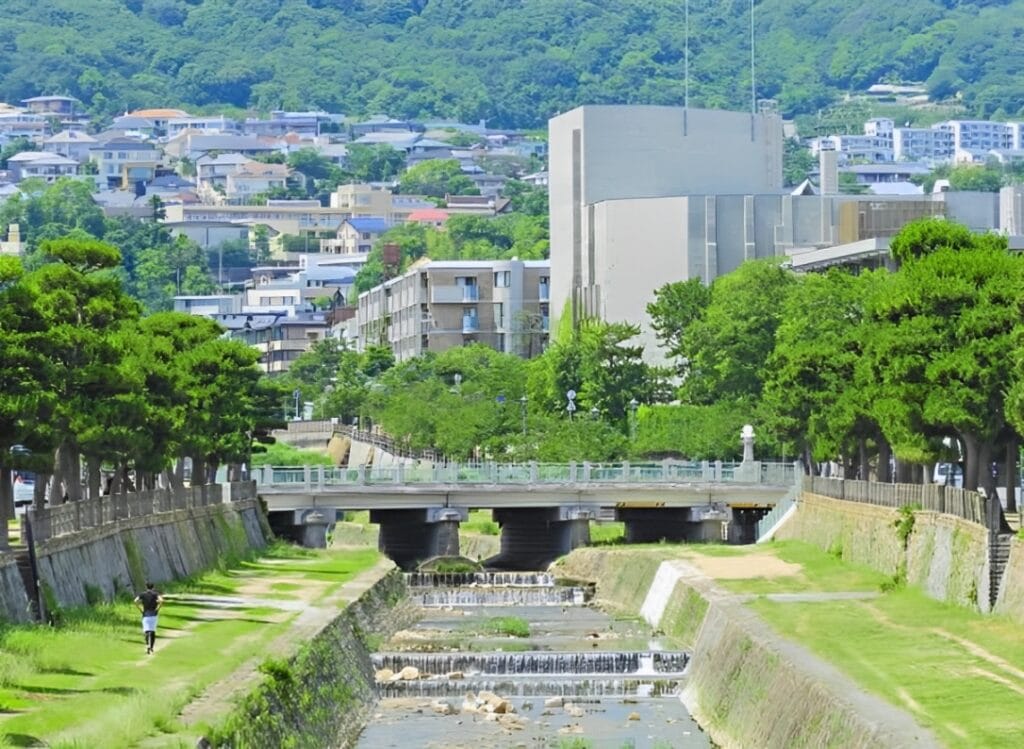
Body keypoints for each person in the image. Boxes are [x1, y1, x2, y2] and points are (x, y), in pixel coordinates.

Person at [134, 582, 164, 655]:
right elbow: (161, 600)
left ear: (146, 587)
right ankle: (152, 647)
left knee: (147, 631)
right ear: (153, 587)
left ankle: (147, 644)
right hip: (153, 614)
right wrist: (158, 608)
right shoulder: (155, 594)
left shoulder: (142, 594)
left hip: (145, 614)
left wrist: (140, 609)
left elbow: (135, 601)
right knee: (153, 631)